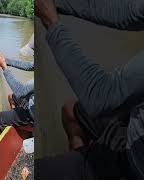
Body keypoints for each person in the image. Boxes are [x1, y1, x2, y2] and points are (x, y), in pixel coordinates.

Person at [35, 0, 144, 179]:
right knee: (71, 113)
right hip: (134, 123)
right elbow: (131, 12)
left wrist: (51, 22)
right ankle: (82, 159)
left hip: (134, 162)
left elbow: (101, 96)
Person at [0, 53, 35, 136]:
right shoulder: (49, 64)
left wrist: (4, 67)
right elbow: (30, 66)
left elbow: (20, 92)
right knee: (11, 97)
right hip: (32, 101)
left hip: (32, 114)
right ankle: (15, 122)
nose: (33, 55)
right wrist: (5, 60)